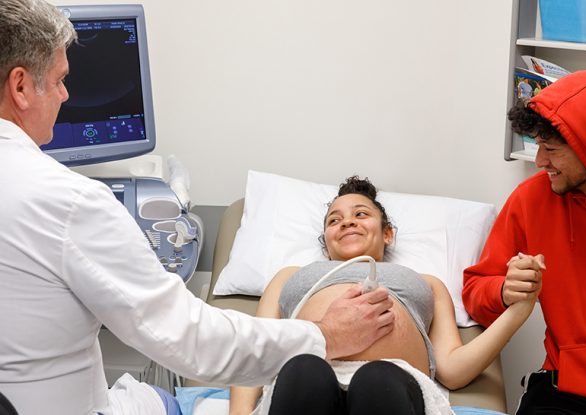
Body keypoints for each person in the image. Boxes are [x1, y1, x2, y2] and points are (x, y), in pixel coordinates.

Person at [0, 1, 396, 413]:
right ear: (21, 86)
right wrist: (326, 334)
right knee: (164, 401)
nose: (66, 94)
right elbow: (189, 339)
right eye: (61, 79)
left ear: (389, 233)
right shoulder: (69, 201)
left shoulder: (420, 281)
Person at [230, 176, 538, 415]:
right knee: (305, 371)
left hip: (393, 384)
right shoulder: (289, 276)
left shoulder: (427, 283)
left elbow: (453, 370)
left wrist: (518, 313)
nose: (347, 221)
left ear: (387, 233)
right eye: (334, 220)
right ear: (325, 241)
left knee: (377, 379)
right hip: (306, 380)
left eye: (360, 214)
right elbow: (256, 350)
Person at [462, 70, 586, 414]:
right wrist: (505, 289)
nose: (540, 162)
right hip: (565, 387)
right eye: (538, 147)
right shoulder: (529, 200)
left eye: (550, 149)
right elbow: (475, 291)